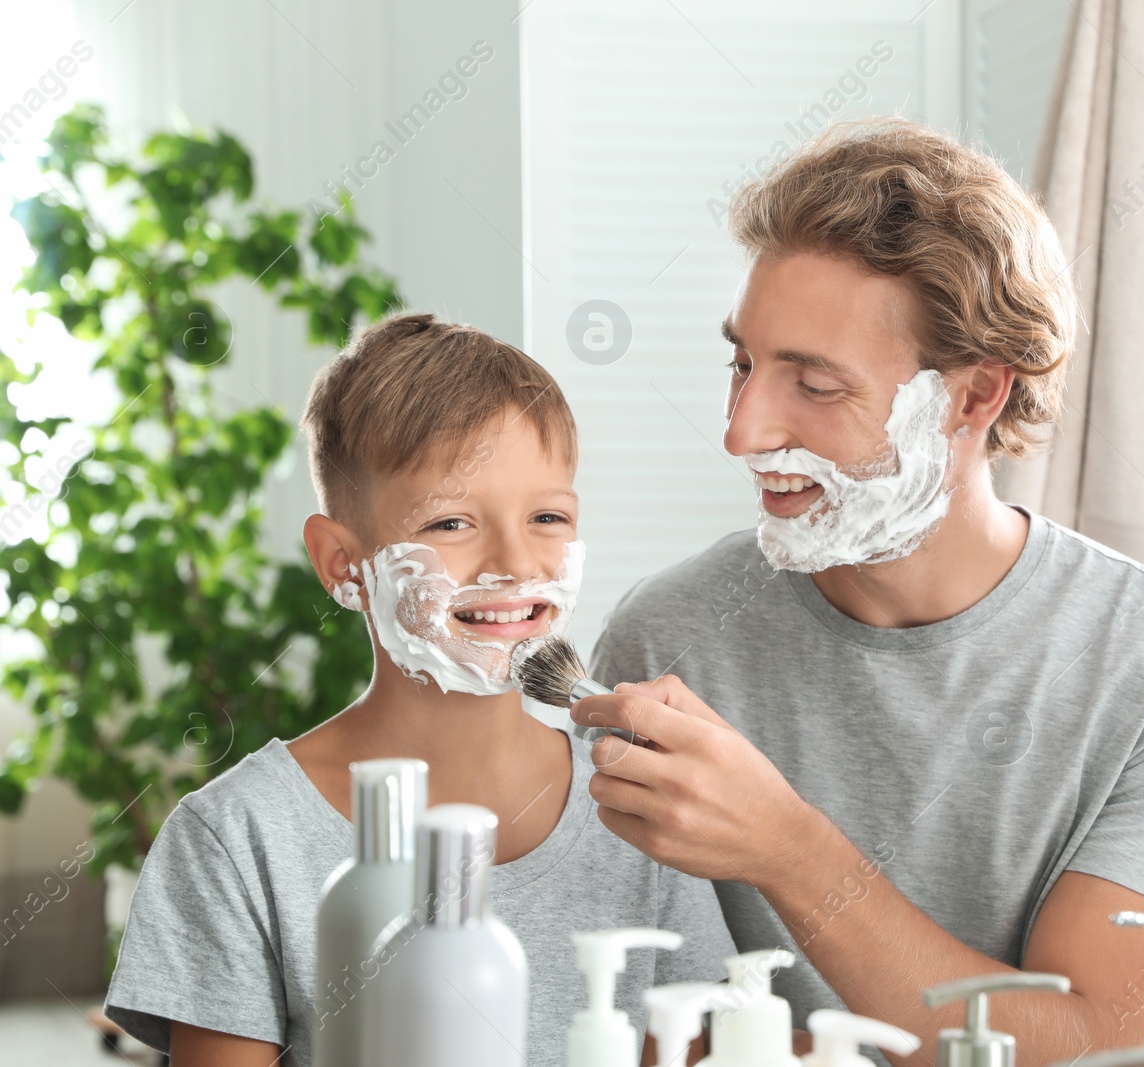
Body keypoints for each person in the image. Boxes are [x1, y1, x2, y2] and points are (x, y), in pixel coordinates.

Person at [580, 119, 1144, 1066]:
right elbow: (630, 1017)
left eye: (813, 384)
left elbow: (1087, 1044)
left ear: (975, 398)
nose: (742, 433)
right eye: (742, 363)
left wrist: (787, 846)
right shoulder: (671, 636)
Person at [104, 313, 735, 1067]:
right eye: (451, 521)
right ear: (343, 563)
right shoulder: (239, 839)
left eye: (547, 516)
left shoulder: (642, 806)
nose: (514, 560)